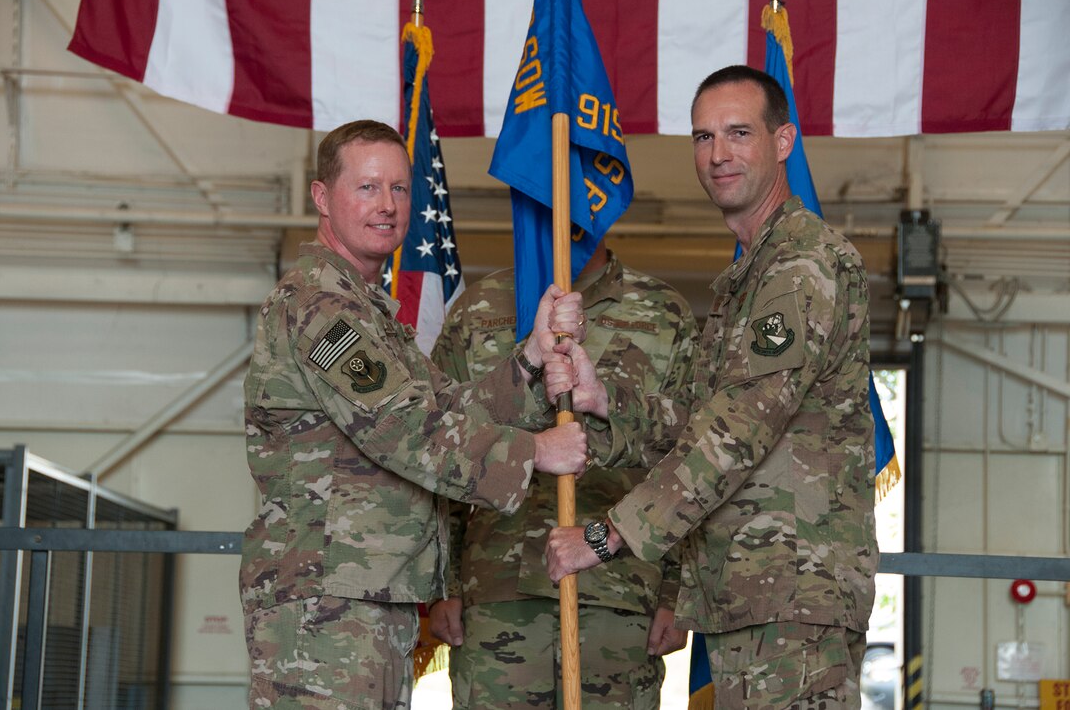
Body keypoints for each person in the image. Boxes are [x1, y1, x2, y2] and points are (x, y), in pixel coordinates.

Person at [544, 65, 879, 709]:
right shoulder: (746, 280)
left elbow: (737, 429)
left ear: (783, 142)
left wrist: (605, 536)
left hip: (794, 599)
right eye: (703, 137)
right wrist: (602, 399)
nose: (719, 154)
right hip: (748, 596)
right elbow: (695, 417)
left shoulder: (803, 265)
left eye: (738, 133)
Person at [240, 119, 590, 710]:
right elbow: (404, 431)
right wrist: (534, 452)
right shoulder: (320, 304)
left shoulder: (369, 311)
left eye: (400, 189)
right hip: (326, 602)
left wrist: (530, 359)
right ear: (323, 197)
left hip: (367, 591)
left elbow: (450, 408)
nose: (387, 206)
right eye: (367, 188)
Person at [426, 238, 700, 709]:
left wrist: (677, 592)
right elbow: (443, 445)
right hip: (495, 593)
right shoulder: (477, 310)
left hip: (621, 592)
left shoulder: (664, 312)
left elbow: (689, 457)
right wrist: (442, 587)